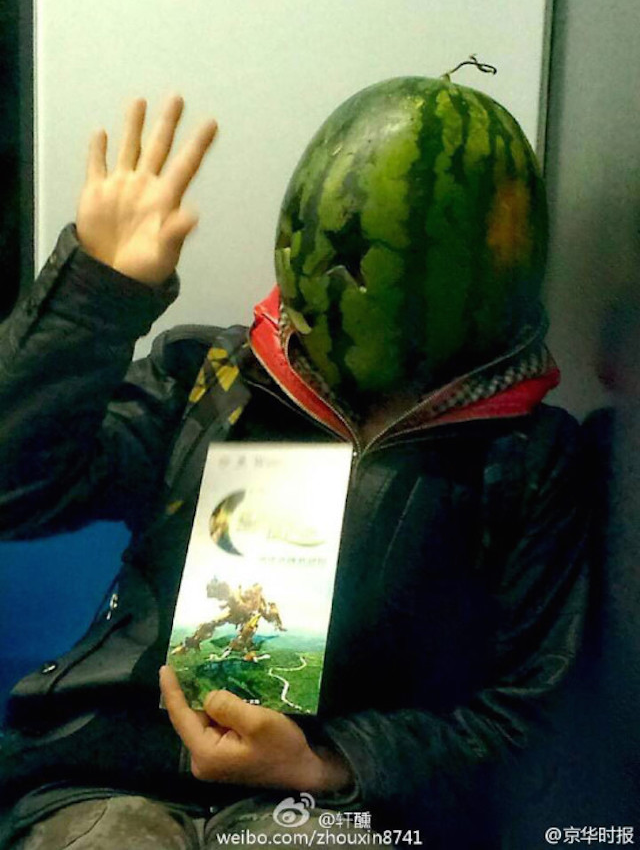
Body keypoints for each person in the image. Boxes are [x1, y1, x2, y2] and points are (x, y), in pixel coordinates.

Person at [0, 81, 589, 850]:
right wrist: (97, 294)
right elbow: (17, 487)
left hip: (343, 807)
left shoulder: (529, 461)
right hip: (114, 775)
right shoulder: (208, 376)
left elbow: (527, 723)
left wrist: (329, 762)